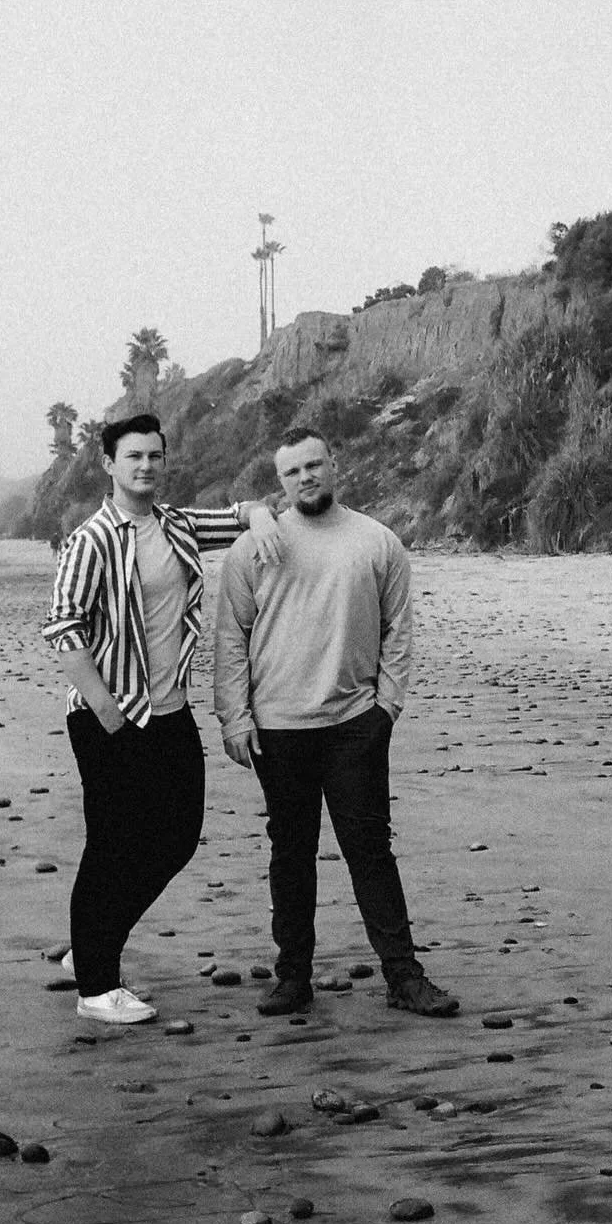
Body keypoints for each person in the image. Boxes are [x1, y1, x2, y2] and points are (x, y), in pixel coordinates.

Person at [43, 412, 282, 1025]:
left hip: (170, 712)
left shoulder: (174, 525)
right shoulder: (91, 539)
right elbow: (64, 628)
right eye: (133, 457)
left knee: (177, 836)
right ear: (108, 465)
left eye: (154, 455)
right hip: (111, 718)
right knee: (112, 847)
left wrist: (257, 515)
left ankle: (93, 936)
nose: (145, 465)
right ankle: (96, 987)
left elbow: (239, 514)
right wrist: (108, 712)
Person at [212, 425, 458, 1018]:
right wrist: (234, 719)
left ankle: (405, 977)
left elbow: (399, 632)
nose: (306, 478)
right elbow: (229, 640)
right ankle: (293, 976)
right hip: (278, 727)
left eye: (315, 465)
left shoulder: (378, 542)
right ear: (280, 481)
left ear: (334, 464)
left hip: (355, 724)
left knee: (371, 851)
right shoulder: (253, 550)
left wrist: (387, 707)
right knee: (289, 854)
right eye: (293, 471)